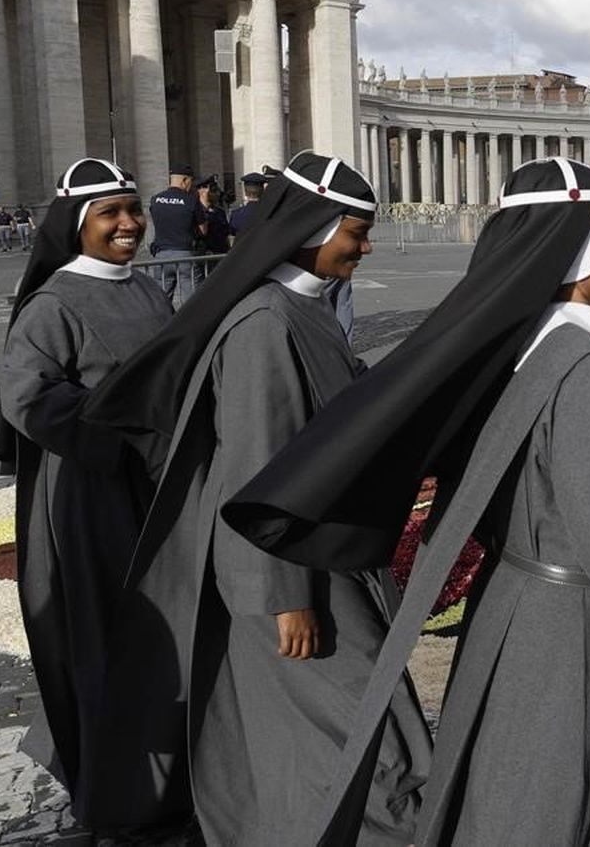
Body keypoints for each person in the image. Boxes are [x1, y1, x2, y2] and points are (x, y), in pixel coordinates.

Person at [220, 157, 590, 845]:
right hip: (575, 638)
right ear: (580, 247)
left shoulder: (515, 354)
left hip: (517, 614)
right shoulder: (586, 377)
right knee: (570, 802)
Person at [81, 152, 424, 844]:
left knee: (322, 729)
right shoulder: (266, 323)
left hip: (319, 552)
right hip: (290, 573)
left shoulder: (307, 307)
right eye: (356, 231)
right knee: (374, 732)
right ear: (315, 227)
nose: (366, 245)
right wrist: (283, 595)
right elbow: (255, 466)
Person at [0, 158, 176, 830]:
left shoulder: (147, 289)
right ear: (77, 224)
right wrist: (124, 432)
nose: (129, 224)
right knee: (108, 641)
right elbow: (27, 397)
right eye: (111, 213)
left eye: (134, 209)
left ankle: (169, 782)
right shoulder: (53, 303)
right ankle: (117, 794)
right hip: (93, 498)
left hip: (154, 487)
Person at [147, 163, 208, 308]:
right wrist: (203, 209)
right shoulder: (191, 200)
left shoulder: (155, 200)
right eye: (190, 182)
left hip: (161, 256)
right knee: (191, 303)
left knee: (161, 301)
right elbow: (203, 230)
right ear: (185, 180)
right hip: (185, 255)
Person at [194, 174, 231, 254]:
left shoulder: (220, 212)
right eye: (213, 191)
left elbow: (225, 236)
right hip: (204, 256)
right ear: (201, 190)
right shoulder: (196, 211)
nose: (217, 194)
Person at [227, 172, 268, 239]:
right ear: (263, 191)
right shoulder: (270, 212)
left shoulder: (236, 215)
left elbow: (233, 233)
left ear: (245, 192)